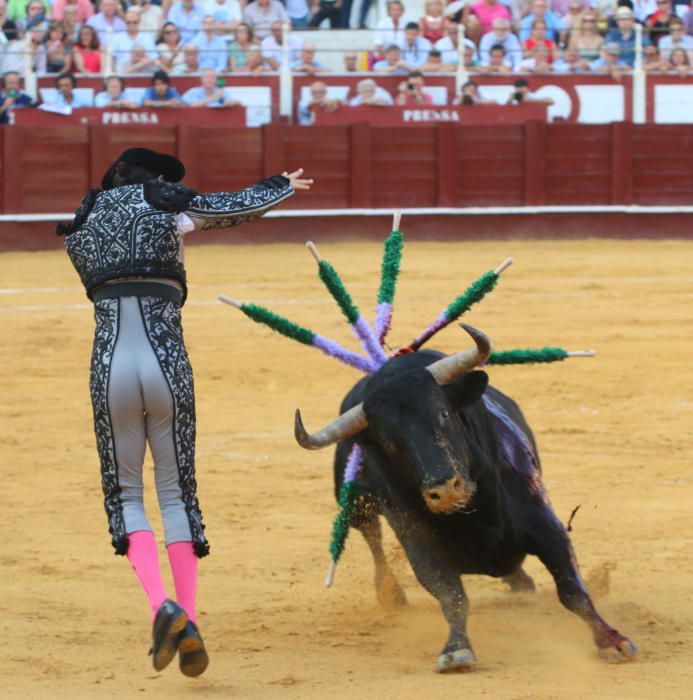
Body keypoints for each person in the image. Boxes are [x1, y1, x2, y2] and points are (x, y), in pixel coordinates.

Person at [57, 147, 311, 677]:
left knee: (125, 492)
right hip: (166, 361)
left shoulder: (81, 222)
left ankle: (160, 607)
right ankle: (188, 619)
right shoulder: (166, 208)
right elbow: (226, 207)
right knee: (175, 491)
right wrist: (278, 185)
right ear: (159, 181)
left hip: (108, 368)